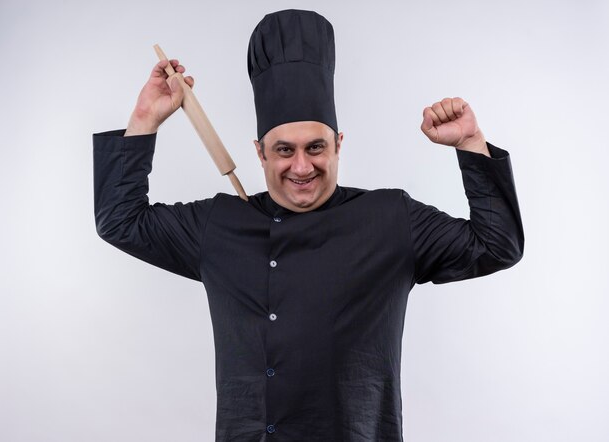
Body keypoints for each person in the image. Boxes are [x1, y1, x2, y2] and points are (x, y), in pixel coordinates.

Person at [93, 9, 524, 442]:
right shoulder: (219, 225)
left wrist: (470, 143)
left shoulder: (391, 219)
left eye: (316, 147)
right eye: (284, 150)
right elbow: (120, 220)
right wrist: (145, 119)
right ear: (260, 153)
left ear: (338, 144)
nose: (302, 166)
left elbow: (497, 245)